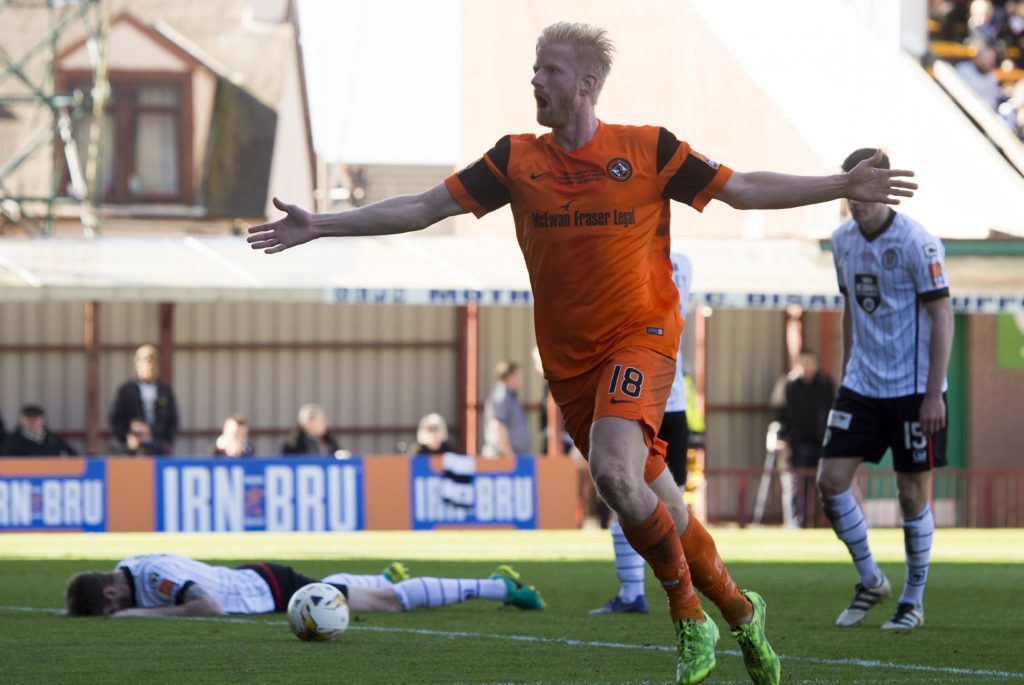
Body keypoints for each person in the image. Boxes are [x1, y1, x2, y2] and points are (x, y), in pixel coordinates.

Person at [248, 22, 916, 684]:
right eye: (535, 69)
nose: (535, 80)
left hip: (643, 337)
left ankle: (689, 618)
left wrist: (839, 184)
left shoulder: (649, 149)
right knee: (665, 511)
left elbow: (742, 189)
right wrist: (321, 224)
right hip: (572, 366)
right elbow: (423, 208)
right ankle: (742, 611)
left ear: (587, 84)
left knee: (615, 473)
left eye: (550, 71)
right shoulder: (515, 160)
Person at [818, 148, 953, 633]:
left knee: (911, 493)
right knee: (830, 482)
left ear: (883, 184)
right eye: (848, 187)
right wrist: (847, 368)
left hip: (914, 390)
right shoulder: (841, 241)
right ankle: (872, 580)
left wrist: (934, 392)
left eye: (863, 187)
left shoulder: (919, 243)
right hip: (862, 385)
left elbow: (942, 316)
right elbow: (852, 307)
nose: (854, 199)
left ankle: (912, 601)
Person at [590, 251, 693, 616]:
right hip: (671, 397)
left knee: (625, 488)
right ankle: (685, 587)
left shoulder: (628, 254)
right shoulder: (683, 261)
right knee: (668, 500)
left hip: (636, 396)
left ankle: (638, 590)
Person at [64, 553, 544, 618]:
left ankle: (501, 586)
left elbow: (208, 607)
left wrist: (136, 614)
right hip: (258, 581)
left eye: (110, 610)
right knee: (352, 588)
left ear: (111, 594)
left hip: (268, 589)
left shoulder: (152, 578)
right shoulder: (128, 566)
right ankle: (381, 575)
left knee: (387, 605)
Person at [774, 348, 835, 528]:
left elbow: (833, 412)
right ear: (797, 364)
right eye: (803, 363)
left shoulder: (825, 384)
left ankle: (822, 522)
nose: (807, 367)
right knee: (792, 485)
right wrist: (780, 437)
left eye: (811, 363)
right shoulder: (788, 384)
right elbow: (778, 414)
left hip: (820, 443)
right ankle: (794, 523)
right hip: (794, 445)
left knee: (823, 485)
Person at [109, 344, 179, 455]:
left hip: (157, 446)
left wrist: (167, 441)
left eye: (153, 362)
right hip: (131, 449)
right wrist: (126, 438)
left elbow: (173, 419)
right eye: (146, 361)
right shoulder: (127, 390)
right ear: (137, 364)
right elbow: (116, 418)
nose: (149, 366)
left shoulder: (165, 390)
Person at [480, 360, 531, 459]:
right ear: (510, 377)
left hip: (511, 457)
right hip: (502, 458)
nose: (520, 380)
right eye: (518, 376)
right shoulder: (501, 396)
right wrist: (508, 453)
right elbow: (498, 425)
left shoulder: (510, 396)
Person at [0, 404, 77, 457]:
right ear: (21, 420)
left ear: (43, 420)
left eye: (36, 419)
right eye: (28, 419)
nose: (32, 423)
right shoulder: (10, 442)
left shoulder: (54, 441)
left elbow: (73, 458)